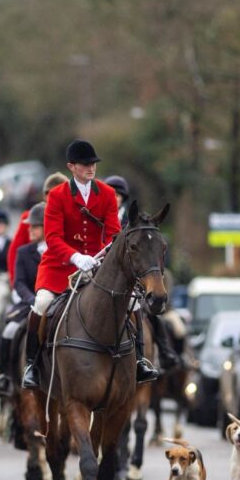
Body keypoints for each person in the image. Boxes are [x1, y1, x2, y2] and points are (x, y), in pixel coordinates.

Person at [21, 139, 159, 389]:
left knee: (133, 302)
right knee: (41, 303)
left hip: (98, 266)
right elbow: (52, 237)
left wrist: (102, 257)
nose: (91, 168)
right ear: (71, 167)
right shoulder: (57, 196)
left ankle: (139, 359)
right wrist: (75, 257)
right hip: (59, 267)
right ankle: (33, 363)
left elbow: (114, 234)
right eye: (85, 164)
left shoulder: (106, 193)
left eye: (93, 164)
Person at [105, 174, 179, 372]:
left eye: (119, 194)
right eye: (112, 194)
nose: (116, 197)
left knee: (150, 314)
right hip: (104, 272)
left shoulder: (133, 221)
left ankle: (154, 355)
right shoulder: (101, 215)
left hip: (135, 277)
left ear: (124, 198)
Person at [0, 202, 44, 398]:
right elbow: (19, 282)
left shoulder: (58, 249)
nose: (29, 229)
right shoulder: (24, 252)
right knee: (8, 331)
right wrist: (32, 298)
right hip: (28, 303)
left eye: (34, 226)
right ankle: (6, 376)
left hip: (56, 302)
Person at [7, 173, 67, 288]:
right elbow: (14, 251)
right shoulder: (29, 217)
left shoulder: (71, 216)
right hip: (32, 277)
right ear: (45, 195)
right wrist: (16, 284)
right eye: (51, 194)